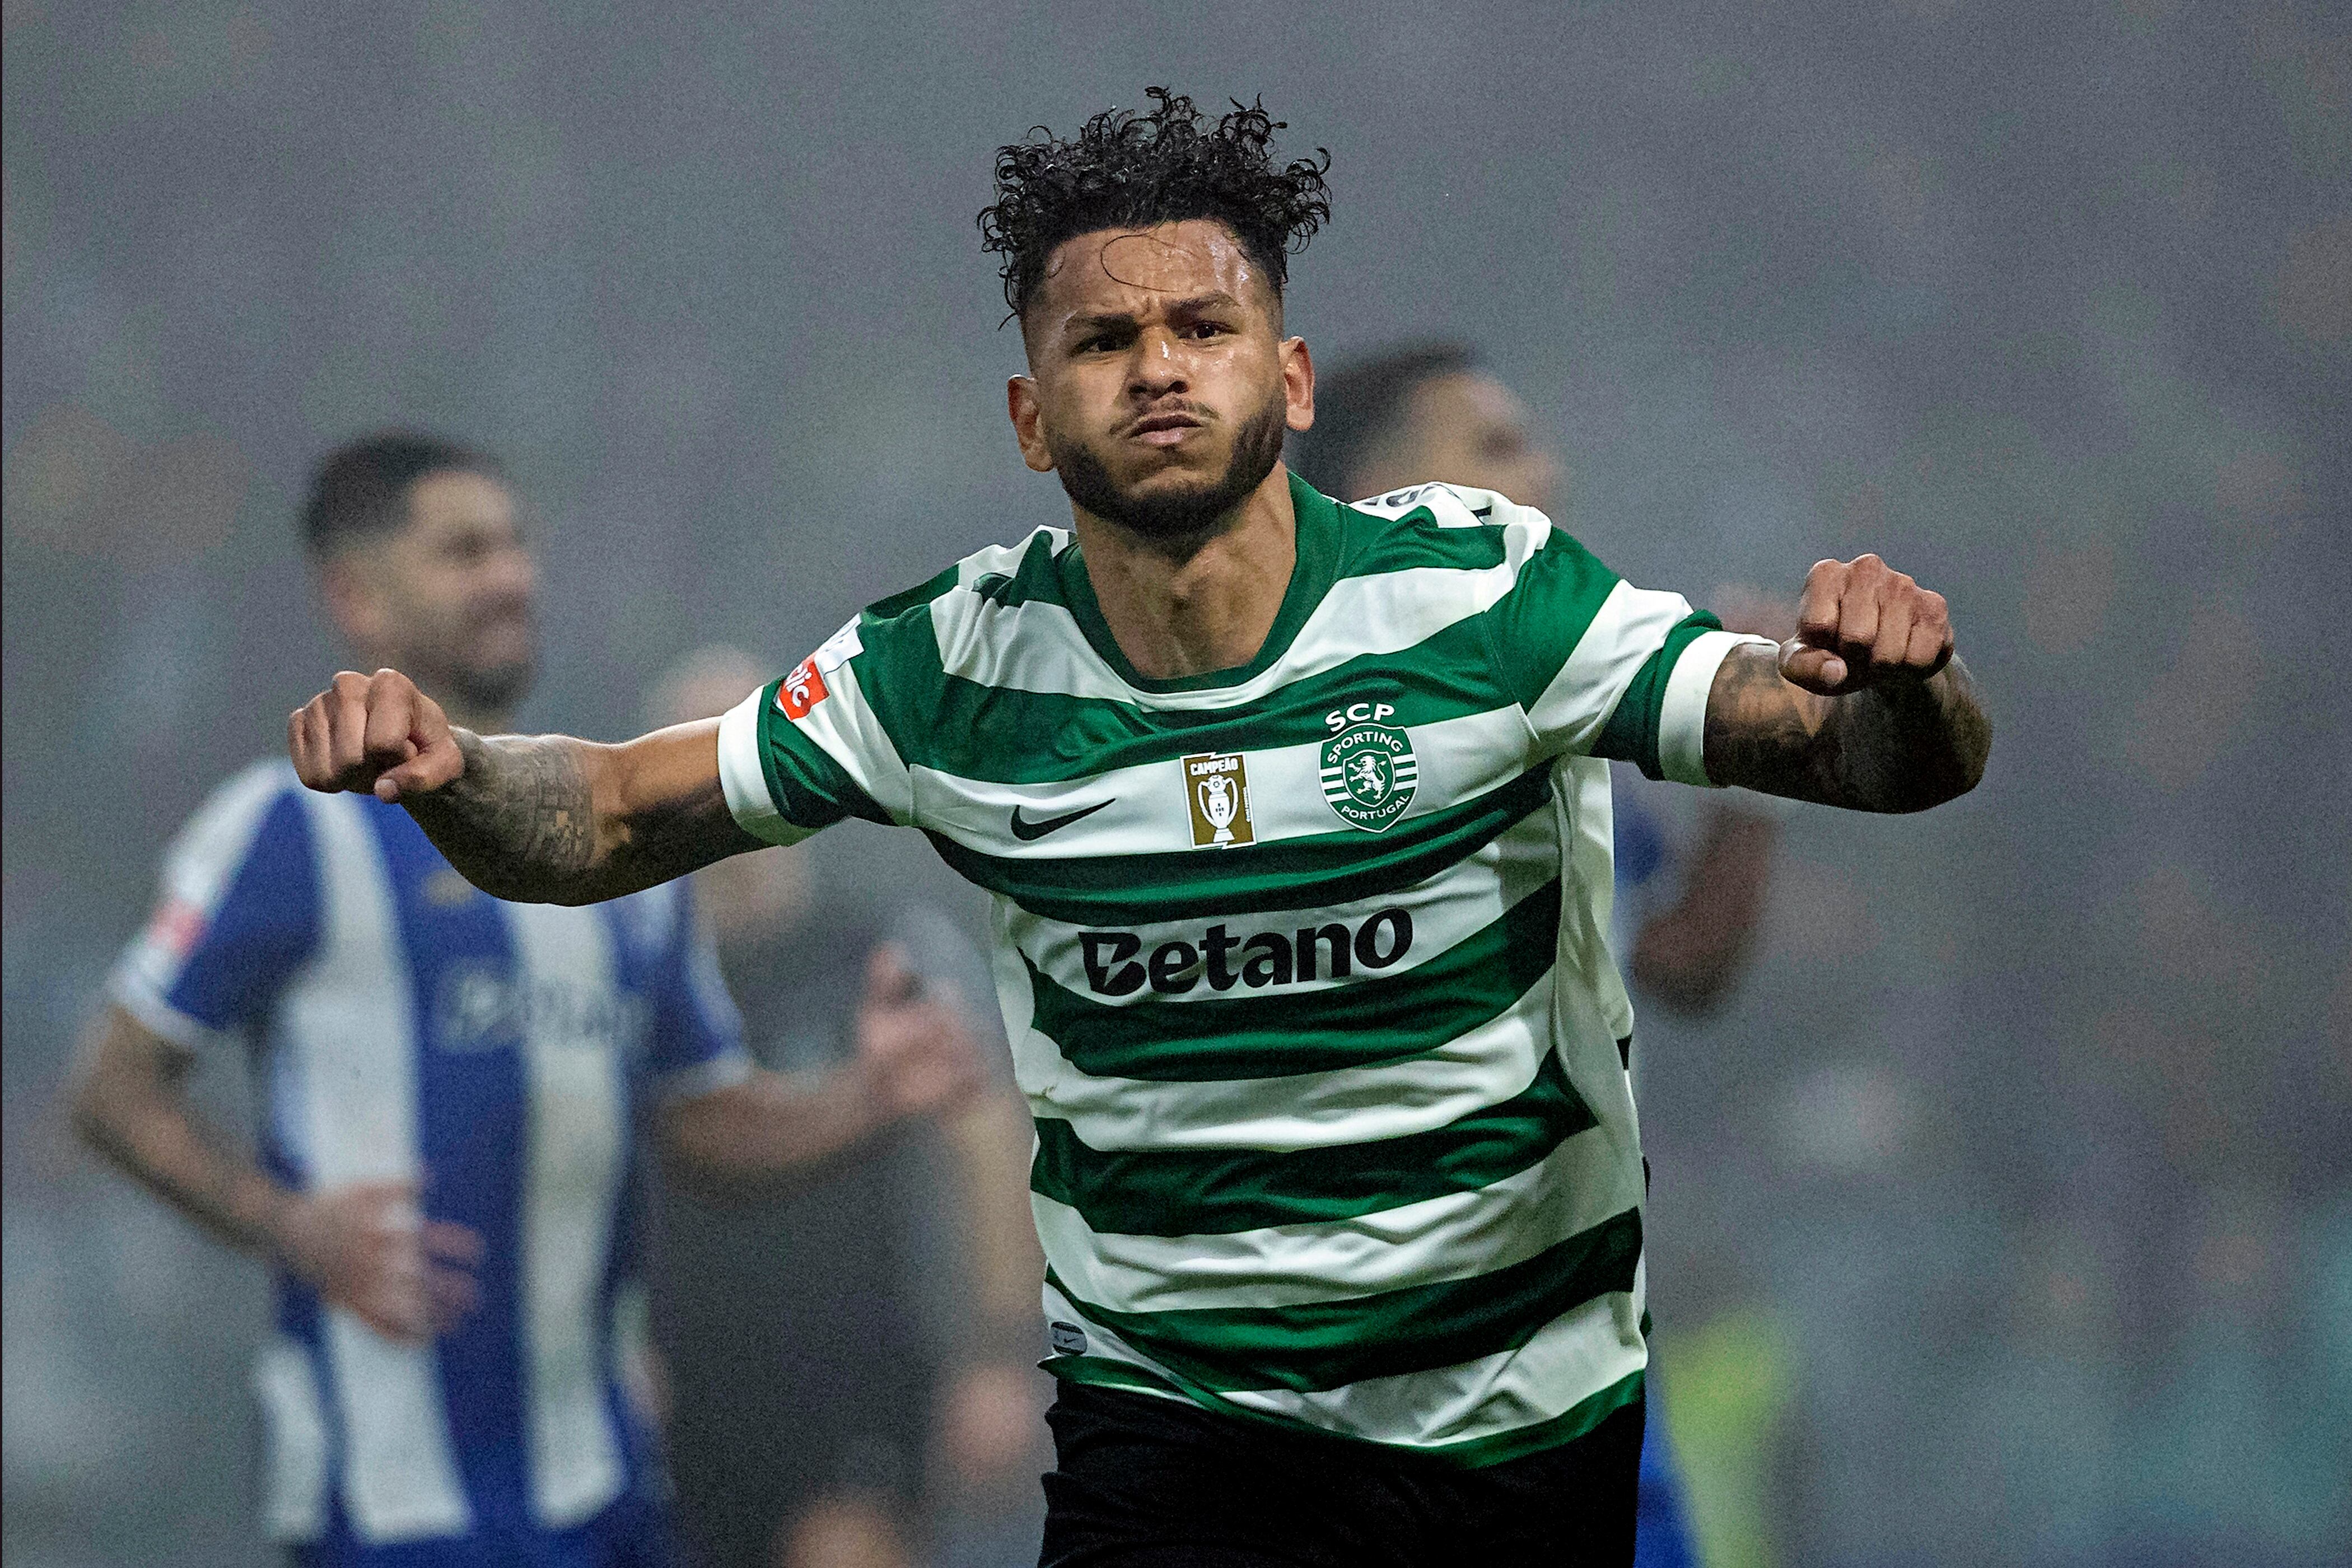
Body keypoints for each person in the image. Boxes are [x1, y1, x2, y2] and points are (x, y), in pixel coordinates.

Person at [281, 92, 1992, 1568]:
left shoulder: (1485, 595)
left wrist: (1909, 684)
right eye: (1102, 342)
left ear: (1293, 377)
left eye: (1203, 328)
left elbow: (1865, 754)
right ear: (1033, 417)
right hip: (1177, 1438)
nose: (1157, 369)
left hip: (1510, 1425)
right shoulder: (951, 665)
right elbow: (598, 813)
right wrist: (453, 770)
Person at [69, 433, 982, 1568]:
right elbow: (112, 1088)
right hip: (387, 1503)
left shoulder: (622, 856)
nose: (509, 575)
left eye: (514, 544)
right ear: (354, 592)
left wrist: (865, 1093)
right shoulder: (284, 830)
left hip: (607, 1486)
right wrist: (289, 1224)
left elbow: (704, 1121)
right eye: (462, 550)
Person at [1291, 343, 1794, 1568]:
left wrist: (1754, 780)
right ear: (1380, 492)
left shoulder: (1570, 705)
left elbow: (1680, 964)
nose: (1552, 472)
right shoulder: (1293, 725)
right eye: (1499, 445)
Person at [638, 648, 1046, 1568]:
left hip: (855, 1379)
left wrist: (998, 1357)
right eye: (687, 760)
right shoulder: (641, 974)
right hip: (687, 1390)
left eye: (736, 749)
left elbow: (987, 1142)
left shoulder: (879, 953)